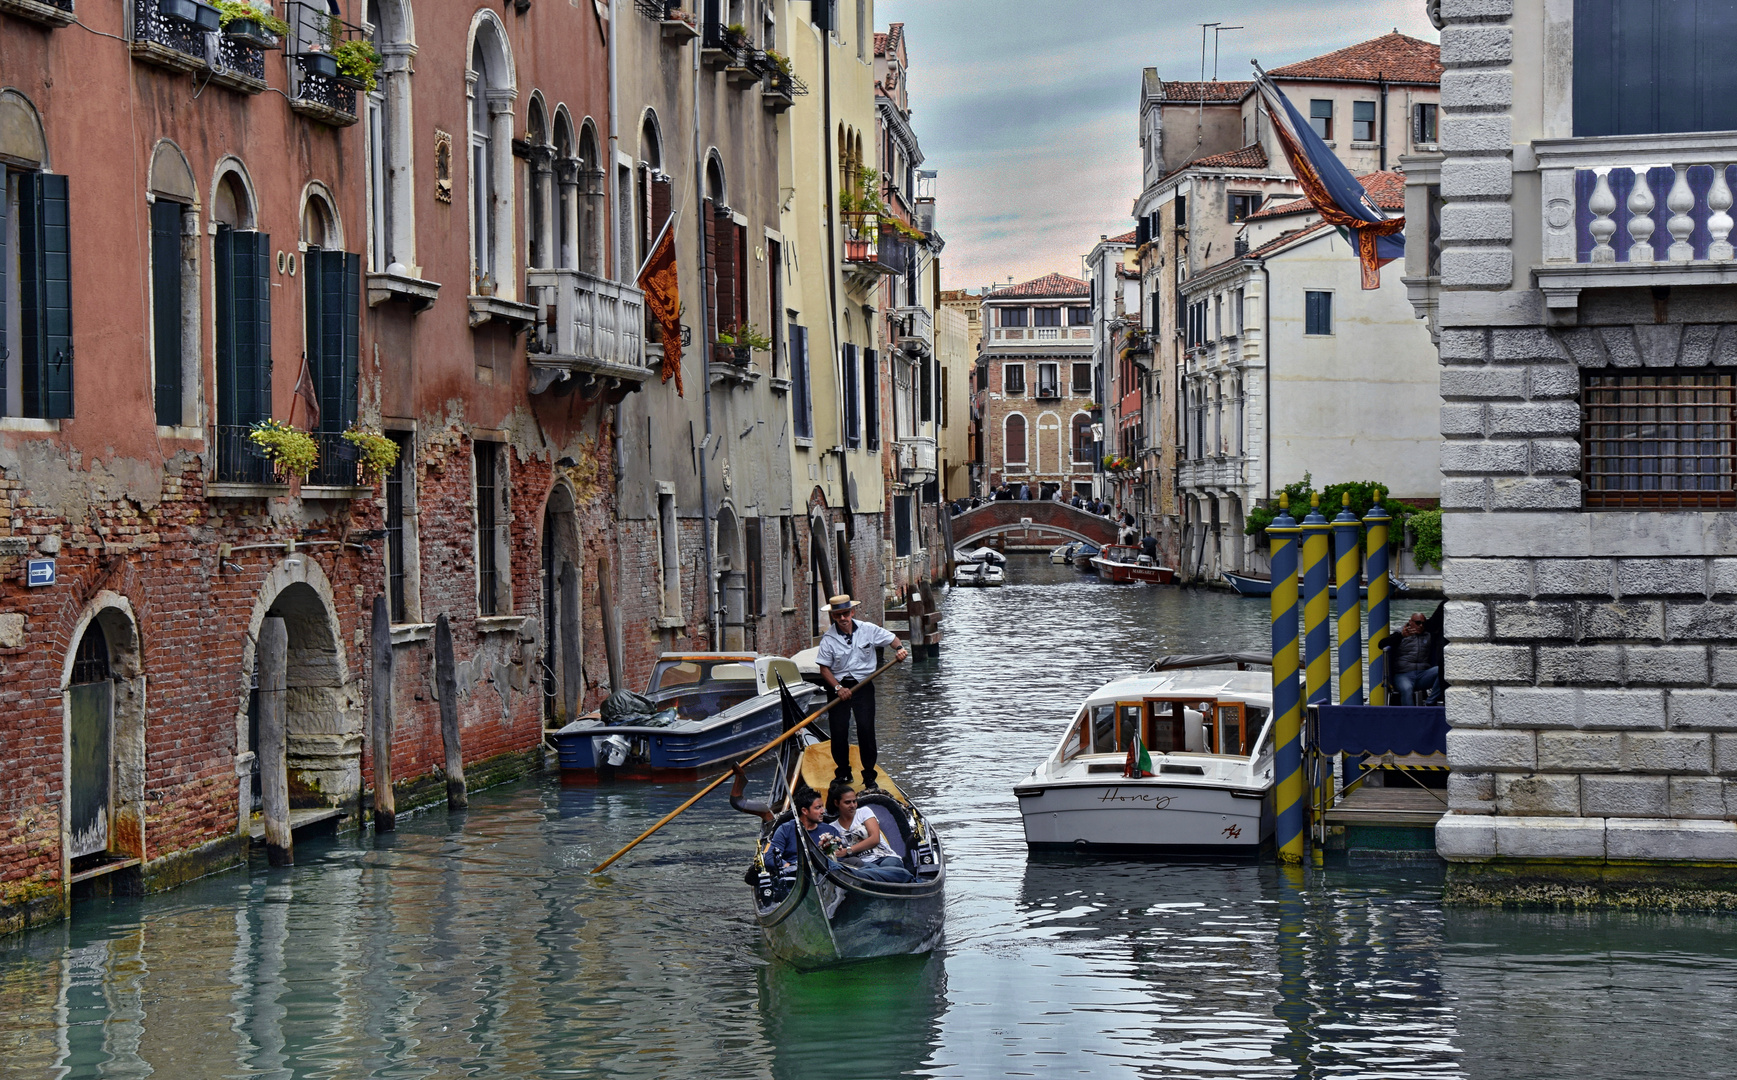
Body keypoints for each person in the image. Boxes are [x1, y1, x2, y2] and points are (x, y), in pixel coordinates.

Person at [815, 594, 908, 788]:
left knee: (866, 729)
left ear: (852, 612)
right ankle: (843, 773)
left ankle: (869, 776)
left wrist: (899, 649)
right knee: (839, 730)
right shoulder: (828, 639)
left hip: (864, 685)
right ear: (833, 616)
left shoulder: (868, 629)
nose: (843, 618)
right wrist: (839, 688)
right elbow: (824, 669)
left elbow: (893, 639)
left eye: (846, 613)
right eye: (838, 615)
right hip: (838, 686)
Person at [827, 780, 913, 882]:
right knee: (870, 870)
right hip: (864, 864)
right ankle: (902, 876)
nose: (853, 805)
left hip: (885, 856)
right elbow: (836, 853)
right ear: (837, 803)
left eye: (854, 801)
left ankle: (894, 876)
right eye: (847, 802)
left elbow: (875, 839)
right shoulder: (832, 827)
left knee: (885, 867)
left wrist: (848, 850)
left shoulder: (864, 812)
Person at [765, 786, 842, 872]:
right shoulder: (785, 830)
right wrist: (789, 867)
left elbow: (839, 859)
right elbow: (770, 858)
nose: (823, 811)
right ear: (804, 811)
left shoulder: (831, 831)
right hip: (793, 875)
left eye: (822, 807)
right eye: (818, 807)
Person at [1381, 612, 1442, 705]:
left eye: (1423, 623)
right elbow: (1381, 644)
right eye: (1418, 623)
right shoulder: (1400, 633)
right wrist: (1401, 636)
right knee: (1407, 689)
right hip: (1403, 674)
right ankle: (1410, 715)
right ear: (1410, 622)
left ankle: (1430, 702)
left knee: (1443, 670)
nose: (1420, 625)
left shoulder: (1428, 634)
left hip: (1423, 674)